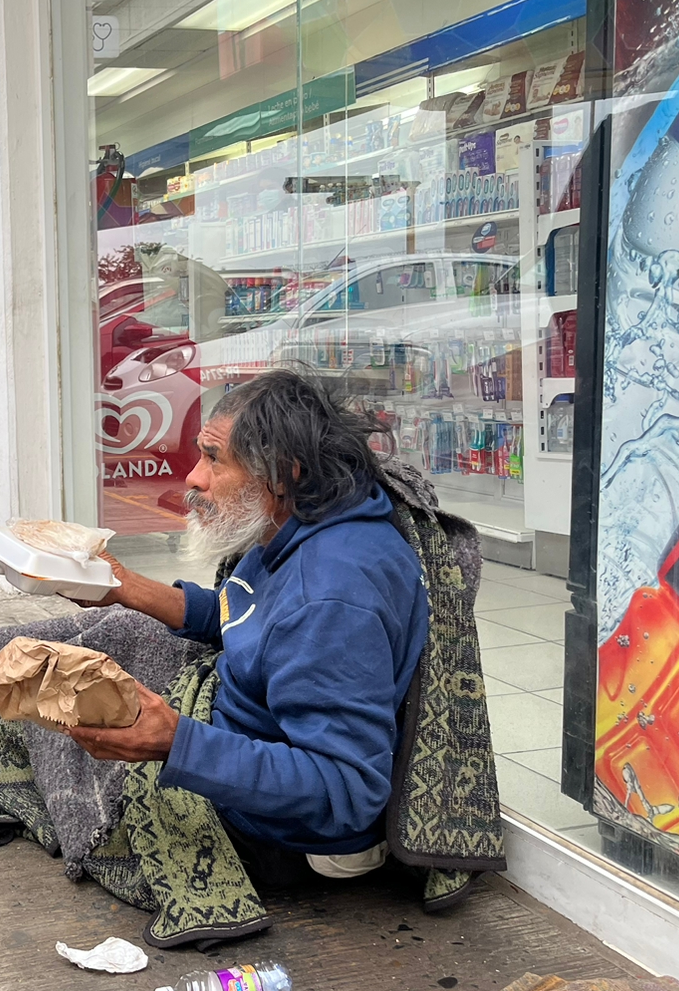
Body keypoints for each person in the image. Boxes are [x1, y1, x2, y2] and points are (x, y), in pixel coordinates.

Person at [65, 368, 430, 885]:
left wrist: (175, 742)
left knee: (46, 727)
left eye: (213, 458)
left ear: (282, 474)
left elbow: (346, 787)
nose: (193, 478)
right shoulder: (299, 523)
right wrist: (122, 586)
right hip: (232, 732)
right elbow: (253, 621)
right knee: (65, 654)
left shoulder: (330, 595)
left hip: (282, 834)